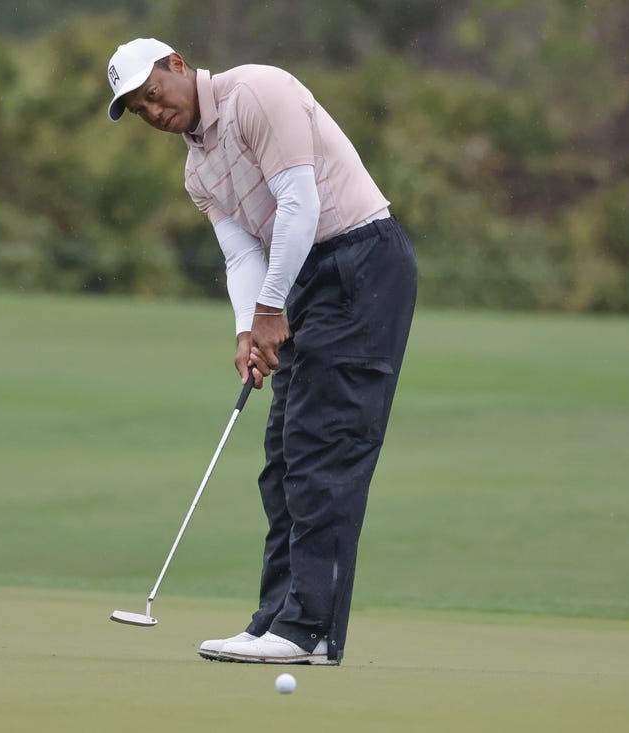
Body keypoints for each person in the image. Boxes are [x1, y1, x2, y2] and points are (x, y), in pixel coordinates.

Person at [105, 38, 417, 665]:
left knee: (321, 449)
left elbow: (301, 205)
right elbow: (243, 254)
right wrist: (248, 330)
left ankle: (310, 632)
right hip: (300, 279)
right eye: (139, 108)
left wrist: (272, 310)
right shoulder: (197, 171)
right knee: (282, 457)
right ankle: (278, 618)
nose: (153, 111)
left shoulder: (257, 91)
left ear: (178, 65)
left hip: (359, 263)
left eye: (153, 93)